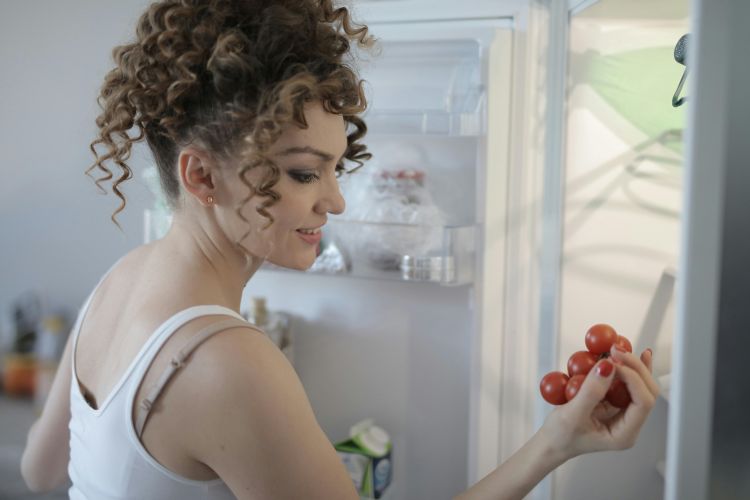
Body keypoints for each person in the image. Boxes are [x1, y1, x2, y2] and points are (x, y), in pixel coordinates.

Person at [20, 1, 659, 499]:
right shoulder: (228, 363)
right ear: (201, 177)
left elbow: (39, 469)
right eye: (304, 173)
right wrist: (553, 445)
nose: (336, 202)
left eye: (335, 169)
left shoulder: (119, 281)